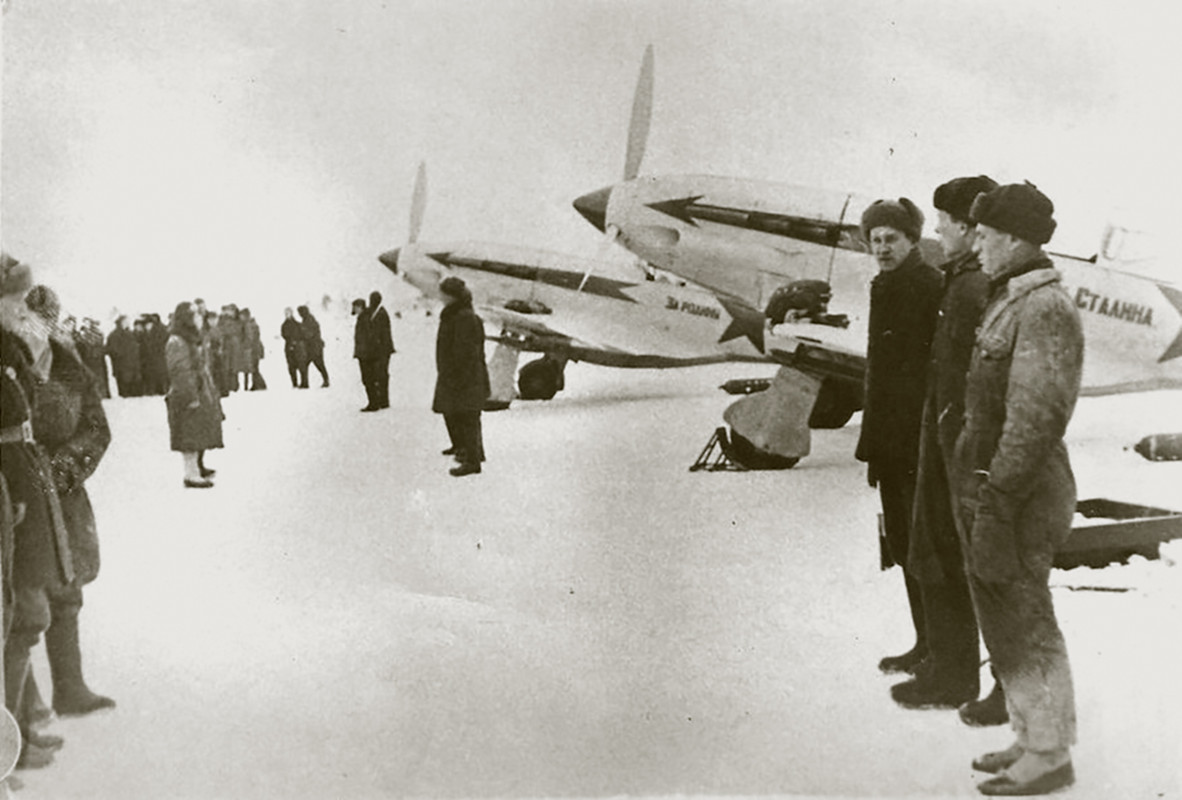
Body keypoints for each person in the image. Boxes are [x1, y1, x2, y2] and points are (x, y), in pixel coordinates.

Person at [957, 183, 1082, 796]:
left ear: (1012, 238)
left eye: (983, 235)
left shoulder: (1044, 308)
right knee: (1005, 618)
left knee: (1028, 618)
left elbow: (1034, 418)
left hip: (1021, 492)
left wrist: (999, 502)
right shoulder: (1008, 299)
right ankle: (1030, 734)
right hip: (996, 489)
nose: (976, 245)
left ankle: (1051, 753)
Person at [888, 176, 998, 713]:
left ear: (969, 227)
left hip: (959, 447)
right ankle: (946, 666)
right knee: (934, 549)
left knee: (950, 556)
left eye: (943, 222)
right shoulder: (959, 280)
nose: (936, 230)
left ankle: (955, 677)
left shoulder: (974, 287)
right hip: (943, 439)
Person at [854, 198, 943, 675]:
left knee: (925, 548)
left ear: (913, 241)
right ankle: (924, 642)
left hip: (917, 445)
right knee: (906, 545)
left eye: (892, 239)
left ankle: (941, 648)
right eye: (876, 240)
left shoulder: (927, 286)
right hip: (892, 445)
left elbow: (925, 377)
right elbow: (878, 378)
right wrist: (873, 447)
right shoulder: (885, 286)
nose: (882, 248)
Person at [21, 285, 116, 726]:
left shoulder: (70, 366)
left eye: (44, 323)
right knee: (17, 602)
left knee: (66, 590)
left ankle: (69, 687)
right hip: (14, 497)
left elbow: (97, 428)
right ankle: (25, 705)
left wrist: (60, 471)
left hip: (62, 495)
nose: (36, 334)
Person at [0, 257, 76, 770]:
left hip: (22, 475)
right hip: (11, 479)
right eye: (17, 298)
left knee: (27, 612)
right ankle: (15, 738)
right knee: (21, 616)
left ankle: (23, 724)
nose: (23, 307)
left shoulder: (10, 343)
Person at [433, 277, 490, 477]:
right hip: (457, 375)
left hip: (462, 377)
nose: (439, 296)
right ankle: (469, 452)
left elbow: (464, 352)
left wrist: (455, 376)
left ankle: (472, 461)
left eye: (442, 292)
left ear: (451, 295)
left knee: (467, 416)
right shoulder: (456, 313)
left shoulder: (463, 316)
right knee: (461, 415)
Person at [165, 302, 224, 488]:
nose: (200, 318)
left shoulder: (192, 338)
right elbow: (180, 372)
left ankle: (197, 467)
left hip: (199, 391)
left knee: (199, 430)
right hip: (189, 395)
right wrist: (190, 397)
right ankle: (191, 474)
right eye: (196, 315)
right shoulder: (178, 341)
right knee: (189, 434)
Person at [356, 291, 395, 412]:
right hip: (378, 351)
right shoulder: (375, 313)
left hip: (376, 351)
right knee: (380, 375)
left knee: (375, 376)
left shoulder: (379, 314)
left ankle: (376, 402)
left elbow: (380, 334)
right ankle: (382, 401)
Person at [105, 315, 142, 397]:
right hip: (122, 369)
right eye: (126, 322)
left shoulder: (129, 334)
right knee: (125, 393)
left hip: (132, 368)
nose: (128, 323)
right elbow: (112, 350)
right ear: (121, 323)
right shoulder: (114, 335)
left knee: (134, 394)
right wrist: (124, 357)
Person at [297, 305, 328, 388]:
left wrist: (301, 334)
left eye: (300, 312)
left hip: (314, 347)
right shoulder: (308, 320)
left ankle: (324, 380)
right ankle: (305, 383)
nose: (299, 314)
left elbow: (309, 334)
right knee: (307, 365)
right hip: (311, 347)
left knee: (318, 364)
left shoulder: (309, 321)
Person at [280, 307, 307, 388]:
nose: (287, 315)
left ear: (292, 313)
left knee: (300, 365)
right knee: (291, 366)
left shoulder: (297, 324)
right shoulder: (284, 325)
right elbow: (284, 335)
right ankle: (294, 383)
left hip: (297, 348)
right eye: (286, 313)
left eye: (288, 313)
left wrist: (295, 341)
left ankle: (304, 383)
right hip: (289, 347)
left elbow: (301, 334)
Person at [241, 308, 266, 391]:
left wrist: (245, 346)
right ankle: (257, 384)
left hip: (253, 349)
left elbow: (250, 338)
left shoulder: (248, 325)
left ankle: (259, 384)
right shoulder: (253, 324)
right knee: (254, 368)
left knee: (253, 368)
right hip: (256, 348)